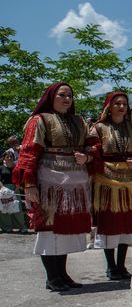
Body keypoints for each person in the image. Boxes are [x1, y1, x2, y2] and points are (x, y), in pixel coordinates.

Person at [13, 83, 91, 291]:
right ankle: (52, 278)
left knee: (65, 229)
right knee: (49, 229)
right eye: (62, 95)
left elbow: (92, 144)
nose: (67, 99)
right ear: (51, 97)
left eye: (70, 95)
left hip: (74, 183)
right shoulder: (39, 120)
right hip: (48, 182)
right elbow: (29, 153)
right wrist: (29, 185)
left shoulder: (78, 121)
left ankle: (63, 275)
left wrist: (88, 156)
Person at [87, 92, 132, 281]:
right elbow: (91, 149)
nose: (121, 107)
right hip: (107, 181)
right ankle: (110, 266)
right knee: (110, 223)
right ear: (109, 107)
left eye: (124, 104)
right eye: (117, 103)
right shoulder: (99, 128)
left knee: (127, 223)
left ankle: (122, 265)